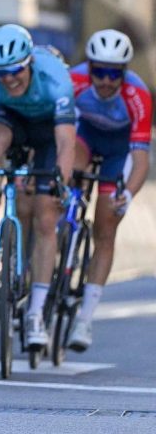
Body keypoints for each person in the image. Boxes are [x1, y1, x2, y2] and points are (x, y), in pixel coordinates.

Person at [0, 24, 76, 351]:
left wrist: (60, 184)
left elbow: (66, 143)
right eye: (1, 73)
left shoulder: (55, 78)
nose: (9, 79)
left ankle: (36, 312)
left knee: (46, 217)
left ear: (29, 63)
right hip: (10, 121)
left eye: (15, 71)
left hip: (49, 130)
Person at [66, 30, 152, 351]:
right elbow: (58, 132)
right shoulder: (73, 81)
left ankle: (84, 319)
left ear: (124, 72)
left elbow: (140, 159)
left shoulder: (137, 94)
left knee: (106, 227)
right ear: (88, 68)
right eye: (97, 71)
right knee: (69, 167)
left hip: (118, 151)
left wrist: (126, 194)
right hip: (84, 137)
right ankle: (66, 226)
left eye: (112, 73)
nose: (104, 80)